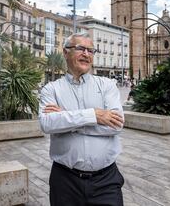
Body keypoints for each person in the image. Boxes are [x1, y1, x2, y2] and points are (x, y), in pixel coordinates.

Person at [39, 33, 125, 206]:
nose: (86, 54)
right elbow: (47, 124)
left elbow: (116, 125)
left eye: (90, 50)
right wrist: (94, 115)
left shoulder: (107, 85)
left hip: (106, 181)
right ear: (65, 52)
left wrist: (66, 120)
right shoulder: (51, 89)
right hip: (65, 181)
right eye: (80, 48)